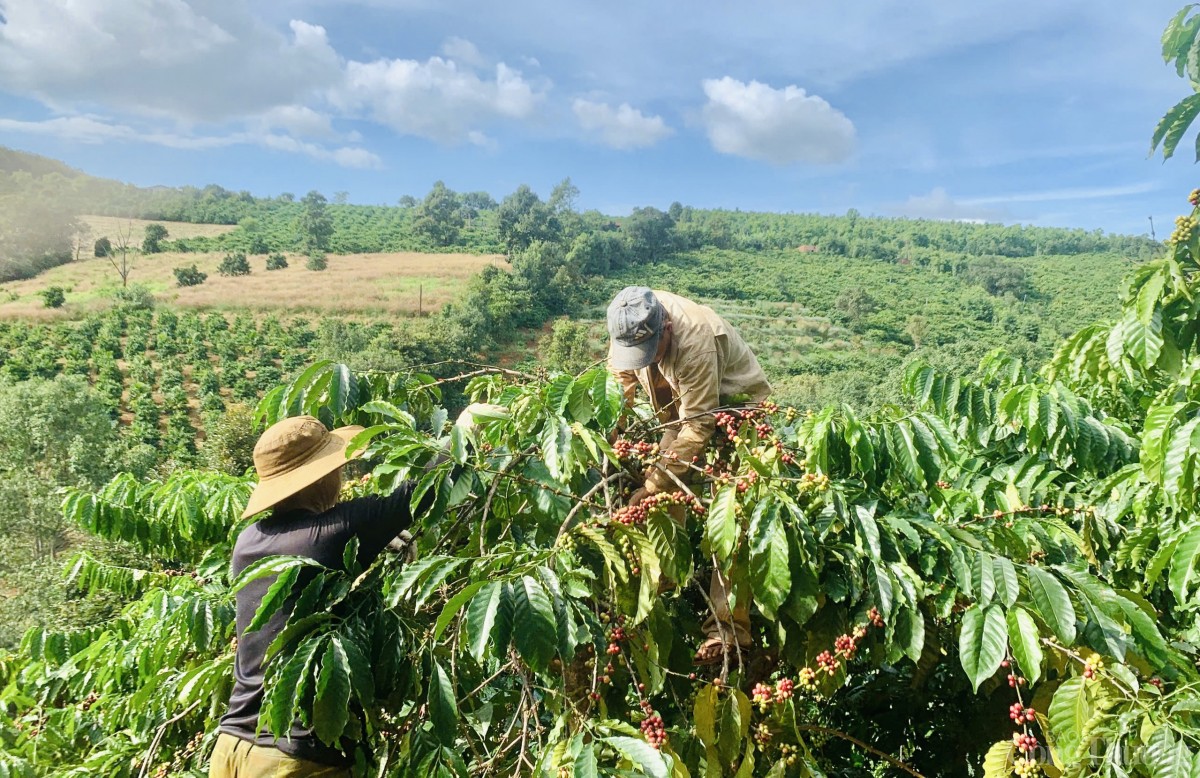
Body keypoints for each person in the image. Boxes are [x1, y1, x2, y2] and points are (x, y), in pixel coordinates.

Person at [210, 414, 440, 777]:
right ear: (321, 476)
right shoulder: (336, 531)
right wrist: (466, 429)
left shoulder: (247, 542)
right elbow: (427, 484)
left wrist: (377, 541)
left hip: (231, 748)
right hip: (294, 759)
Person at [607, 286, 771, 666]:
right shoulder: (629, 319)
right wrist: (613, 434)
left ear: (665, 328)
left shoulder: (695, 341)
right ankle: (664, 580)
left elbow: (699, 428)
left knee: (731, 520)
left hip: (737, 418)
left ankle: (729, 630)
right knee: (663, 498)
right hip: (682, 414)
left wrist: (650, 485)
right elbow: (620, 382)